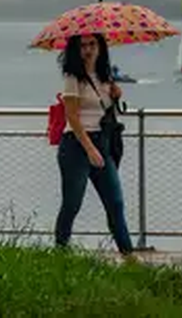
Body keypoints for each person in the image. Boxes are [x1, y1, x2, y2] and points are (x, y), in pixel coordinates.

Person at [55, 33, 135, 259]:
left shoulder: (105, 75)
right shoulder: (73, 78)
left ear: (100, 47)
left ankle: (128, 254)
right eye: (83, 46)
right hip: (76, 144)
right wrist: (89, 149)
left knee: (115, 201)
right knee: (72, 203)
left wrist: (115, 95)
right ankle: (60, 250)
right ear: (76, 50)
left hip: (103, 141)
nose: (88, 50)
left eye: (93, 44)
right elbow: (71, 116)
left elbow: (106, 111)